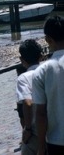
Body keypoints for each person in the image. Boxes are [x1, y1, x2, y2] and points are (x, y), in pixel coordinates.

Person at [32, 16, 64, 155]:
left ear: (48, 40)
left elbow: (41, 113)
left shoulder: (41, 72)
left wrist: (41, 146)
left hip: (56, 141)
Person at [16, 39, 43, 155]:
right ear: (41, 56)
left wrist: (27, 129)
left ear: (22, 60)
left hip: (36, 132)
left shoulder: (24, 78)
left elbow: (27, 103)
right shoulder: (50, 71)